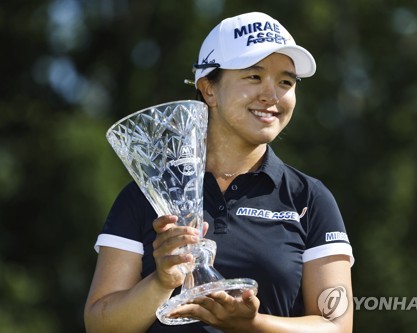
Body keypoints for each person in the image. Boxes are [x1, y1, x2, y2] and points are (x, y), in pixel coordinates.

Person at [84, 11, 354, 333]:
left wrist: (253, 324)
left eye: (286, 81)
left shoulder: (310, 198)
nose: (272, 94)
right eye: (254, 77)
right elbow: (100, 325)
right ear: (209, 89)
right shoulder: (146, 194)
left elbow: (337, 326)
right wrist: (161, 281)